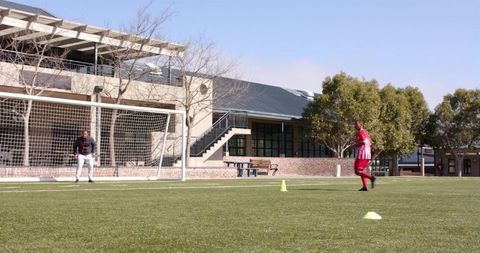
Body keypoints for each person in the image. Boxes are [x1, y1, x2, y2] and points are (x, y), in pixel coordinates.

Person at [352, 120, 376, 191]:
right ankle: (365, 187)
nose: (355, 126)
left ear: (361, 125)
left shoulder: (361, 132)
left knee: (357, 171)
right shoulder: (365, 132)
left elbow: (363, 142)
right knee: (361, 171)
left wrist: (354, 145)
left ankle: (372, 178)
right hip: (367, 154)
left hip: (362, 154)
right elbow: (370, 142)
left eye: (356, 124)